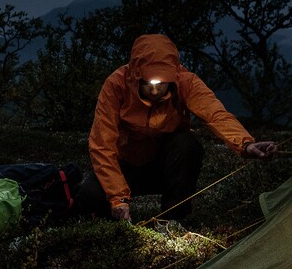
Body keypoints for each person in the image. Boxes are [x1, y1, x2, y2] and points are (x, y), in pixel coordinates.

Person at [82, 33, 276, 222]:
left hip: (166, 165)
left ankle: (173, 219)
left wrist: (245, 144)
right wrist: (118, 198)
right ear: (136, 74)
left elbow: (215, 114)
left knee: (187, 144)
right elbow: (102, 143)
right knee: (89, 195)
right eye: (149, 83)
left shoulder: (186, 81)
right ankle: (111, 223)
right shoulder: (116, 84)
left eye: (162, 83)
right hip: (126, 164)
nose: (156, 90)